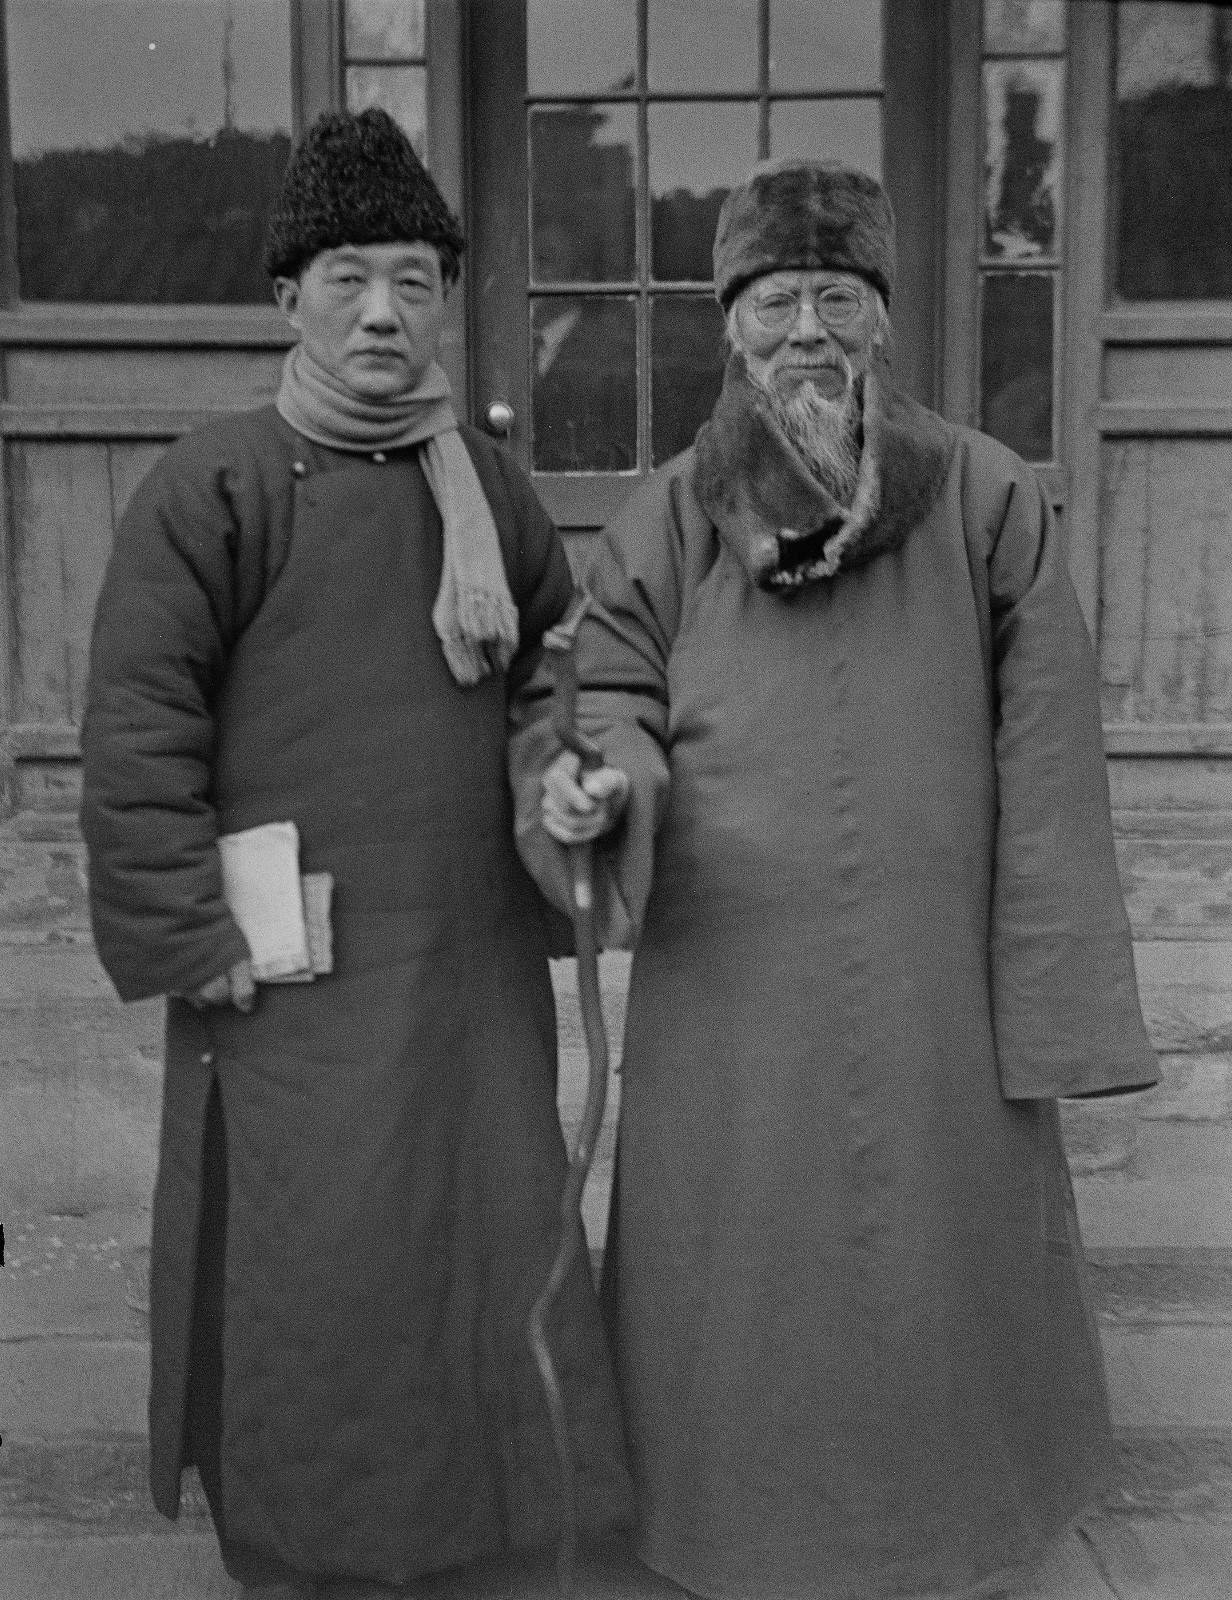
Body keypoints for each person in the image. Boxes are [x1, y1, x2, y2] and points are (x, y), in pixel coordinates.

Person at [511, 160, 1160, 1600]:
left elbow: (1050, 747)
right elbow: (605, 679)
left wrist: (1045, 997)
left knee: (941, 1253)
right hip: (730, 972)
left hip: (933, 976)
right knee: (741, 1269)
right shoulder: (668, 514)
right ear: (730, 327)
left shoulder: (987, 494)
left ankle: (960, 1533)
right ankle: (733, 1537)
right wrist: (598, 776)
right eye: (776, 302)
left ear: (879, 321)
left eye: (837, 299)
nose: (807, 331)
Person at [80, 109, 633, 1598]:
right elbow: (139, 738)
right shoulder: (213, 489)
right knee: (322, 1267)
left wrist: (566, 793)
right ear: (287, 301)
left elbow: (549, 683)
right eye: (346, 278)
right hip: (293, 976)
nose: (384, 311)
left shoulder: (493, 495)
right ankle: (313, 1551)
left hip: (467, 957)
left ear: (445, 300)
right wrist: (197, 936)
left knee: (488, 1238)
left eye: (412, 279)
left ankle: (503, 1536)